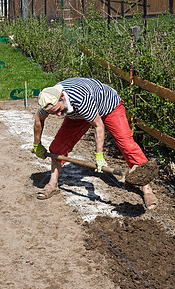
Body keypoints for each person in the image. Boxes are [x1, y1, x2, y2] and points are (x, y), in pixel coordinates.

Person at [33, 77, 158, 209]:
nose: (58, 115)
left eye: (59, 110)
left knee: (126, 144)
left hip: (109, 107)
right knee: (58, 146)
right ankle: (52, 184)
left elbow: (98, 126)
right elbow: (38, 120)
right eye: (53, 113)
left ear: (62, 96)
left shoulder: (81, 99)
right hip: (80, 113)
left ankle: (147, 189)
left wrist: (99, 155)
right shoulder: (48, 100)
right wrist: (37, 145)